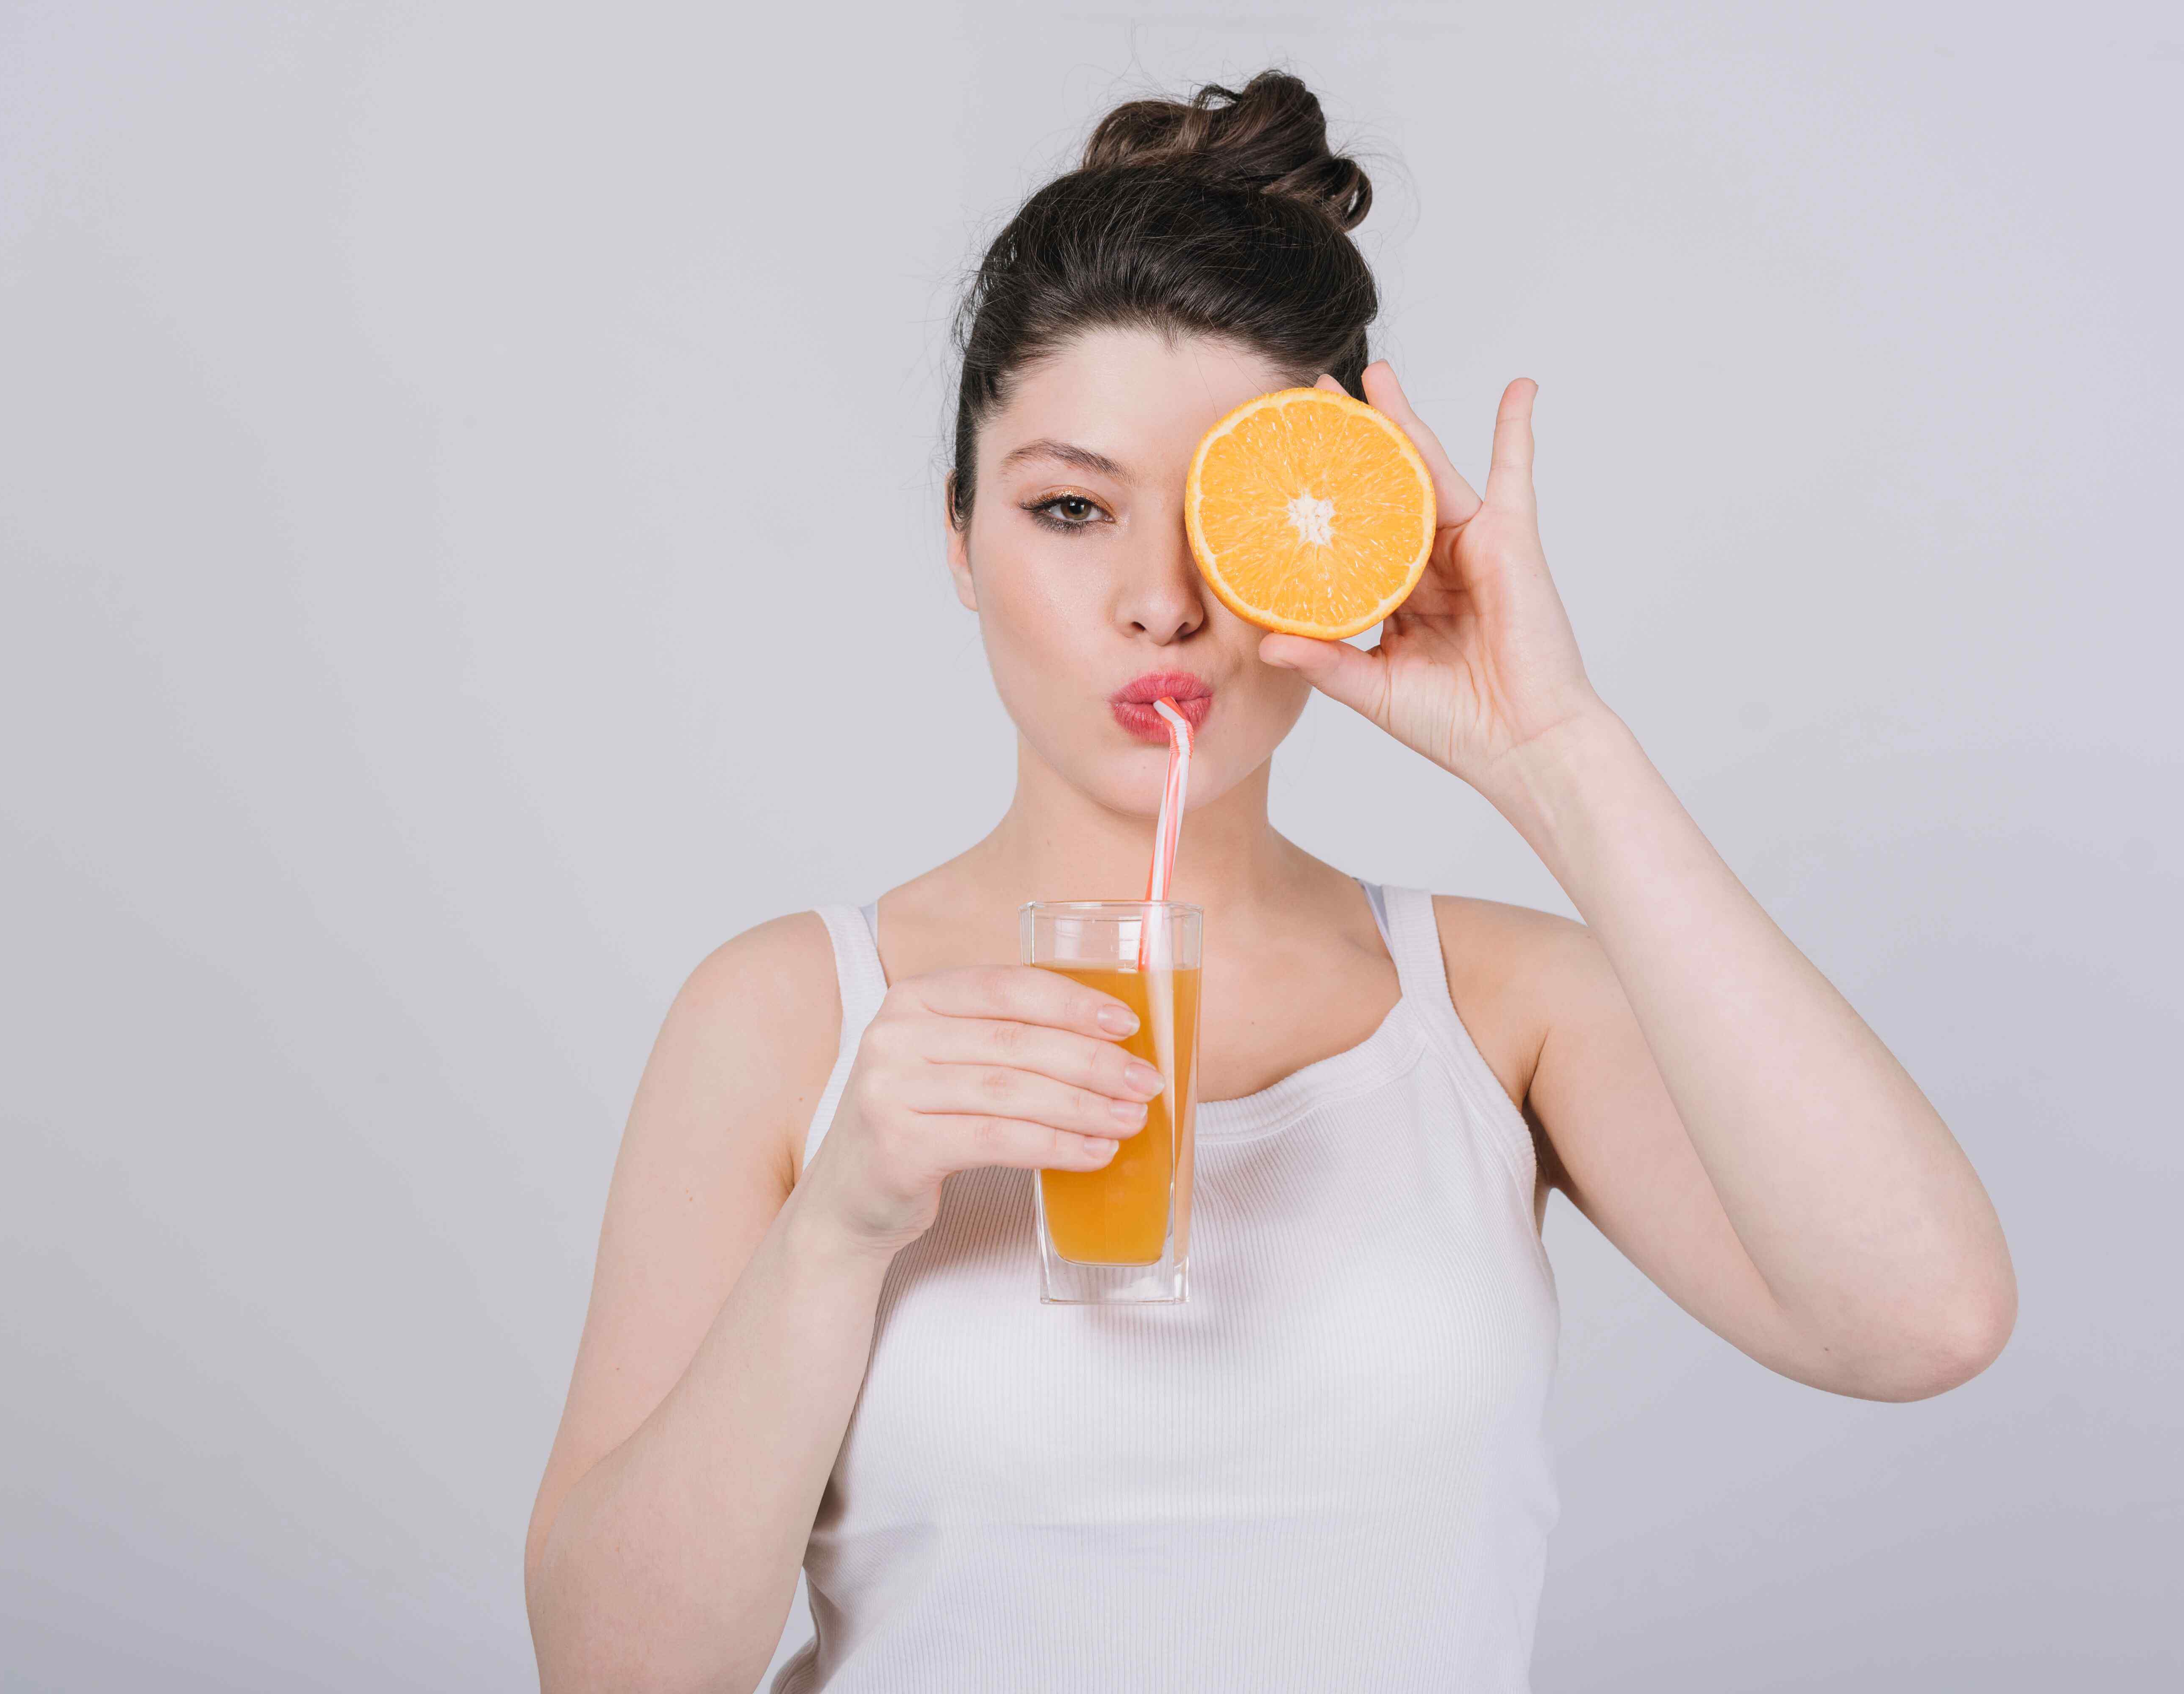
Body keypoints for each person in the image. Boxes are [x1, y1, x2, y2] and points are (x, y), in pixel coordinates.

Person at [522, 68, 2015, 1693]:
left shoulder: (1501, 1013)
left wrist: (1556, 748)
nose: (1161, 603)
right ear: (960, 536)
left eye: (1235, 516)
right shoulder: (793, 1020)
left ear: (1345, 543)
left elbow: (1920, 1323)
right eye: (1071, 508)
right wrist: (839, 1230)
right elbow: (616, 1673)